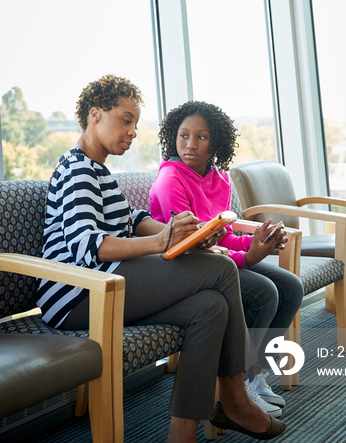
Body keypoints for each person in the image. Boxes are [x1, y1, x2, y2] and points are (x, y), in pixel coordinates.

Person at [36, 75, 286, 443]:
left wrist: (186, 233)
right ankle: (234, 398)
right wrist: (162, 241)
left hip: (109, 285)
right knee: (220, 267)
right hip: (78, 296)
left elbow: (131, 220)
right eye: (125, 120)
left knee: (211, 307)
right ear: (94, 115)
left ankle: (182, 433)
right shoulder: (77, 170)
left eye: (135, 124)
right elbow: (88, 246)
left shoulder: (98, 171)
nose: (133, 131)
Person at [149, 100, 304, 417]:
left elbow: (222, 234)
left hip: (215, 258)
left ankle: (252, 369)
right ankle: (240, 381)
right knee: (263, 293)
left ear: (215, 143)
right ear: (172, 138)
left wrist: (256, 242)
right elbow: (194, 244)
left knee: (291, 287)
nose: (190, 144)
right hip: (187, 266)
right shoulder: (170, 181)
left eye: (201, 137)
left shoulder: (219, 179)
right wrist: (248, 256)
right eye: (183, 135)